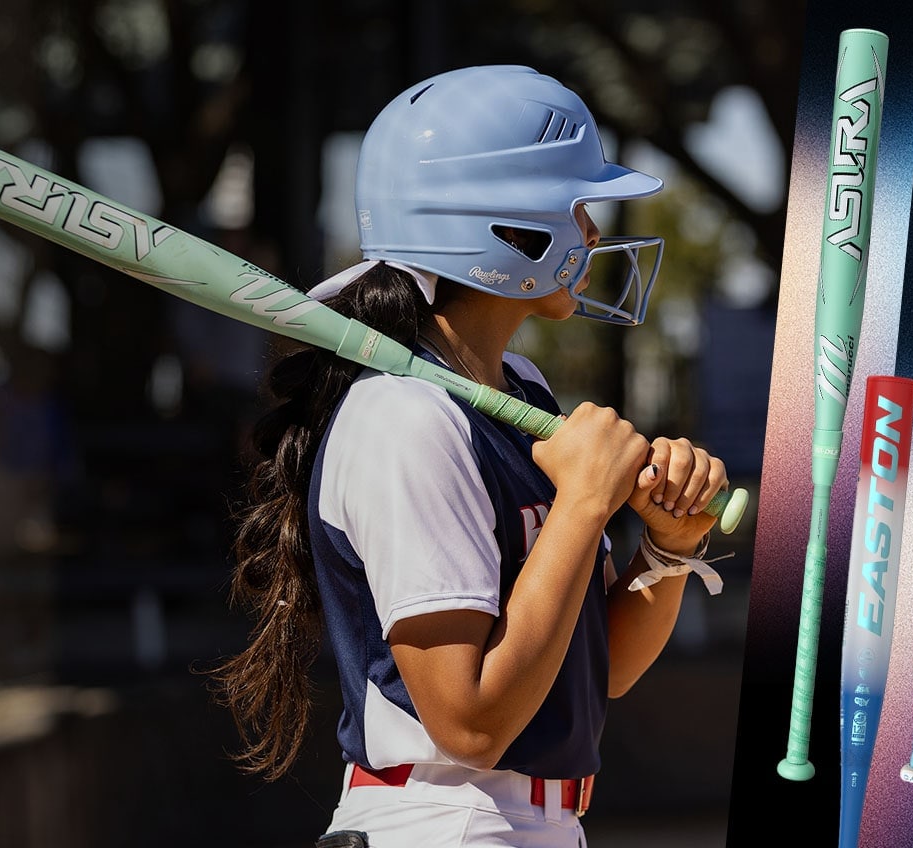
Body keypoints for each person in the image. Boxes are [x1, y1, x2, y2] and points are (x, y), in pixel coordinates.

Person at [210, 64, 732, 848]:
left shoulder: (520, 388)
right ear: (504, 227)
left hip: (529, 822)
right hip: (444, 818)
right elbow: (470, 722)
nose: (590, 231)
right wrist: (585, 504)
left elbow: (600, 671)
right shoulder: (402, 417)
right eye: (573, 205)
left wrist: (667, 548)